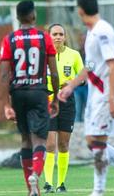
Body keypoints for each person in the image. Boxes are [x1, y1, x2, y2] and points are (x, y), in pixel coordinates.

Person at [58, 0, 114, 196]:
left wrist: (112, 99)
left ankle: (98, 191)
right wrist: (72, 85)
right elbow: (90, 65)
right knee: (93, 141)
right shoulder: (92, 33)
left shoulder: (102, 31)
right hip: (95, 93)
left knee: (97, 141)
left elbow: (113, 65)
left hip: (106, 93)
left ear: (80, 11)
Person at [0, 0, 60, 196]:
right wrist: (56, 98)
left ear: (17, 18)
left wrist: (6, 104)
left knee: (25, 140)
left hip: (18, 92)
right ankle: (36, 175)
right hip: (39, 91)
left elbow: (4, 75)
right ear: (34, 16)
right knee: (40, 140)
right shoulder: (44, 38)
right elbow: (55, 72)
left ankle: (31, 190)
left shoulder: (9, 40)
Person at [43, 23, 84, 193]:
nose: (58, 37)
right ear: (49, 36)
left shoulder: (74, 55)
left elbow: (83, 76)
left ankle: (61, 183)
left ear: (65, 37)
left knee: (64, 144)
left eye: (61, 34)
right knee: (50, 144)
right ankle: (47, 183)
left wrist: (72, 83)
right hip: (49, 100)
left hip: (67, 101)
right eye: (54, 34)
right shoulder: (43, 55)